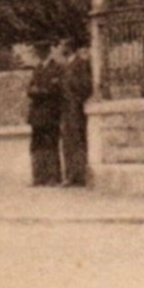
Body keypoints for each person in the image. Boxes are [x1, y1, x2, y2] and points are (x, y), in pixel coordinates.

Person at [27, 43, 67, 186]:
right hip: (37, 114)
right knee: (37, 145)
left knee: (51, 144)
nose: (40, 53)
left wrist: (40, 91)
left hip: (50, 113)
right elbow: (29, 90)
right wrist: (41, 90)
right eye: (38, 51)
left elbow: (55, 90)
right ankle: (38, 177)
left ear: (48, 51)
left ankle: (53, 177)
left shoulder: (57, 68)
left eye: (42, 50)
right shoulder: (37, 69)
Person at [59, 37, 92, 186]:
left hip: (75, 108)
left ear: (69, 47)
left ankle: (79, 175)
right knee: (68, 141)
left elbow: (85, 85)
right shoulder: (65, 65)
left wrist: (77, 100)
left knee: (78, 140)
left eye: (63, 46)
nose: (60, 49)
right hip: (66, 107)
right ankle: (70, 175)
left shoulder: (81, 64)